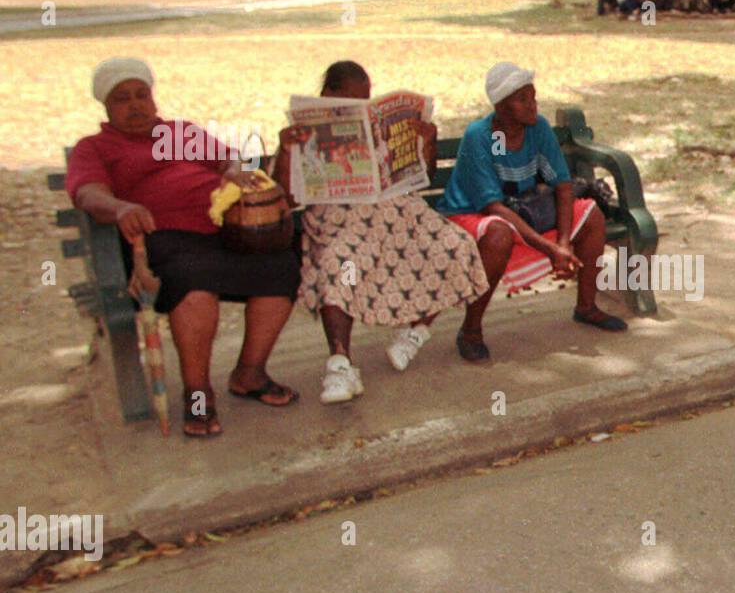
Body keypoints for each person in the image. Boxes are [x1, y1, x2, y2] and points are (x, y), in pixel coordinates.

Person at [67, 58, 301, 437]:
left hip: (225, 231)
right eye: (123, 99)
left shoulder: (180, 133)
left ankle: (249, 374)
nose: (135, 105)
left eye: (142, 95)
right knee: (193, 285)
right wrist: (120, 207)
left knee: (281, 269)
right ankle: (198, 394)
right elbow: (88, 192)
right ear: (106, 107)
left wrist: (232, 170)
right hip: (163, 238)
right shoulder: (95, 148)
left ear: (153, 97)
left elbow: (227, 160)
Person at [272, 62, 490, 404]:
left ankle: (416, 332)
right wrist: (287, 151)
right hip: (341, 221)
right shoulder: (303, 130)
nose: (361, 107)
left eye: (366, 100)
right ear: (328, 95)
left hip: (398, 213)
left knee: (456, 245)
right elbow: (285, 197)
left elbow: (424, 175)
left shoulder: (378, 129)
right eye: (353, 100)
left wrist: (427, 143)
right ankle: (340, 363)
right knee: (340, 264)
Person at [437, 63, 628, 360]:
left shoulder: (537, 129)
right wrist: (551, 249)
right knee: (498, 234)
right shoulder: (480, 135)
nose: (533, 105)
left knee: (591, 213)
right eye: (522, 99)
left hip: (523, 209)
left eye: (533, 97)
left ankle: (586, 307)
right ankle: (470, 331)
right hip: (470, 213)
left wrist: (563, 243)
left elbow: (562, 185)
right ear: (500, 106)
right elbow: (493, 206)